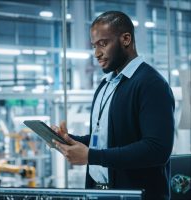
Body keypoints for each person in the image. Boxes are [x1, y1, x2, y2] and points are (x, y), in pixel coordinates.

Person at [52, 11, 175, 200]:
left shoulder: (151, 84)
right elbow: (102, 139)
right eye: (94, 46)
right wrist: (69, 140)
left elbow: (157, 149)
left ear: (126, 39)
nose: (97, 53)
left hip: (135, 196)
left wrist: (91, 156)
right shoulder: (106, 85)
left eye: (103, 43)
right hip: (99, 193)